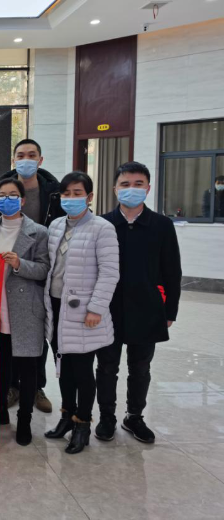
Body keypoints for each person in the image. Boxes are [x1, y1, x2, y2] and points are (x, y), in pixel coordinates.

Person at [95, 162, 182, 443]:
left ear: (148, 188)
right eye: (125, 184)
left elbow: (172, 270)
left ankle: (134, 417)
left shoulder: (162, 225)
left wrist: (170, 311)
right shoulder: (102, 224)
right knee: (107, 367)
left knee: (140, 367)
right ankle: (106, 417)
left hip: (147, 308)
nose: (131, 189)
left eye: (138, 184)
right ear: (115, 189)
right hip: (109, 309)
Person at [0, 139, 64, 414]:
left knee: (32, 348)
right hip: (0, 291)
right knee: (4, 349)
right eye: (21, 155)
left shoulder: (52, 192)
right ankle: (10, 389)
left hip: (30, 288)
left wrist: (22, 263)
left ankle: (36, 389)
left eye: (31, 155)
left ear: (40, 160)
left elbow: (45, 263)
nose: (26, 159)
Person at [43, 171, 119, 454]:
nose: (71, 198)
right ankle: (66, 416)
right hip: (56, 307)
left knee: (83, 371)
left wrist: (96, 308)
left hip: (84, 311)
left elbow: (110, 273)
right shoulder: (55, 225)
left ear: (89, 197)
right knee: (63, 368)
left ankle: (83, 424)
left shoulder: (102, 228)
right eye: (66, 193)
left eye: (77, 193)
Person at [0, 177, 50, 446]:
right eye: (2, 195)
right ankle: (0, 410)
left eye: (13, 195)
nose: (7, 199)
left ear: (22, 201)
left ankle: (24, 419)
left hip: (25, 308)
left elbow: (44, 269)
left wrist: (20, 263)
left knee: (27, 366)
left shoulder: (39, 232)